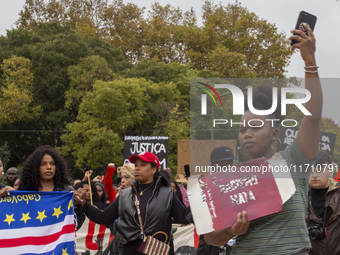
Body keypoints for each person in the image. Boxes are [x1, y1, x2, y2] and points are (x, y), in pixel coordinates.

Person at [204, 23, 322, 255]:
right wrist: (231, 231)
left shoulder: (294, 159)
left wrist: (310, 61)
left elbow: (314, 116)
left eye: (255, 127)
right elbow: (211, 238)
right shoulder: (229, 179)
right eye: (241, 129)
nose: (247, 133)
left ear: (274, 133)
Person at [76, 151, 192, 255]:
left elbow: (183, 217)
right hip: (128, 251)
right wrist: (84, 205)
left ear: (154, 169)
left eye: (142, 165)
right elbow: (104, 217)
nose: (137, 168)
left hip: (158, 251)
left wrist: (199, 196)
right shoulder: (125, 195)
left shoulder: (167, 194)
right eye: (136, 165)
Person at [0, 145, 86, 230]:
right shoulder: (24, 192)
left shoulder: (67, 191)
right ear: (35, 167)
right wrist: (5, 199)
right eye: (43, 164)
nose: (49, 167)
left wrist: (79, 205)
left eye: (52, 164)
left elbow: (76, 224)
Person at [198, 146, 235, 255]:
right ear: (212, 167)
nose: (227, 168)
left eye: (230, 164)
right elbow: (192, 216)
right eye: (223, 165)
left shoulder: (239, 186)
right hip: (210, 248)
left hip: (233, 247)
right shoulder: (202, 188)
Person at [307, 151, 340, 255]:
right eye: (311, 170)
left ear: (330, 170)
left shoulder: (338, 196)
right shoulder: (298, 197)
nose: (315, 175)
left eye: (320, 169)